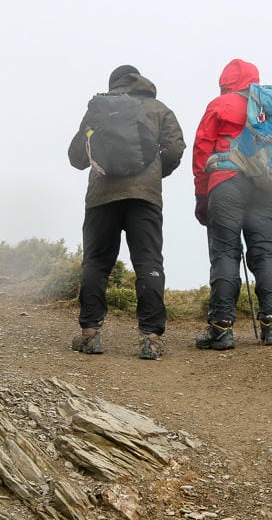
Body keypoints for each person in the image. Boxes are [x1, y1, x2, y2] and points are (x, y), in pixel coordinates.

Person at [68, 65, 186, 360]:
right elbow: (174, 148)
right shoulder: (159, 109)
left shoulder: (99, 108)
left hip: (101, 198)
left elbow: (77, 157)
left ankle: (90, 333)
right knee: (148, 262)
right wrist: (155, 172)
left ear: (113, 84)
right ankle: (151, 337)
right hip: (145, 197)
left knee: (96, 263)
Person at [192, 58, 272, 348]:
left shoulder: (220, 105)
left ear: (226, 82)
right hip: (265, 185)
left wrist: (202, 196)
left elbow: (201, 152)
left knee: (225, 252)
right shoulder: (270, 108)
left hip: (226, 184)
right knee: (265, 251)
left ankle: (221, 328)